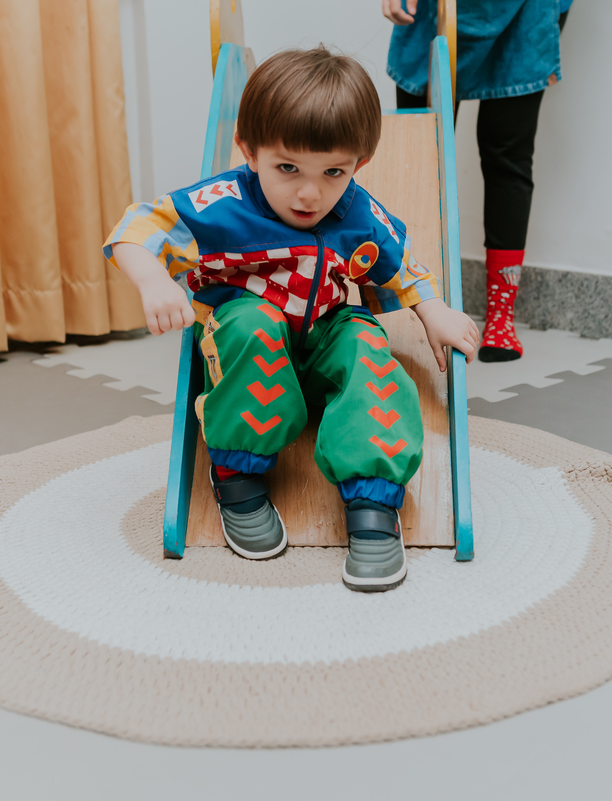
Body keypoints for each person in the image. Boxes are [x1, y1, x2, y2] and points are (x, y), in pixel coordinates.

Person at [104, 47, 478, 592]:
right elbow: (136, 229)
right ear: (249, 150)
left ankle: (373, 502)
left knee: (369, 348)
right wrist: (155, 281)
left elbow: (401, 264)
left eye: (333, 172)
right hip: (251, 338)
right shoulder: (222, 203)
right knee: (249, 323)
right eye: (287, 168)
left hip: (326, 327)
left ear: (358, 165)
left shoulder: (356, 211)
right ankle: (237, 471)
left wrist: (433, 310)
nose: (309, 192)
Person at [384, 0, 570, 361]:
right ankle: (415, 303)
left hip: (524, 12)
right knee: (420, 155)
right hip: (434, 9)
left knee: (507, 156)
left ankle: (501, 313)